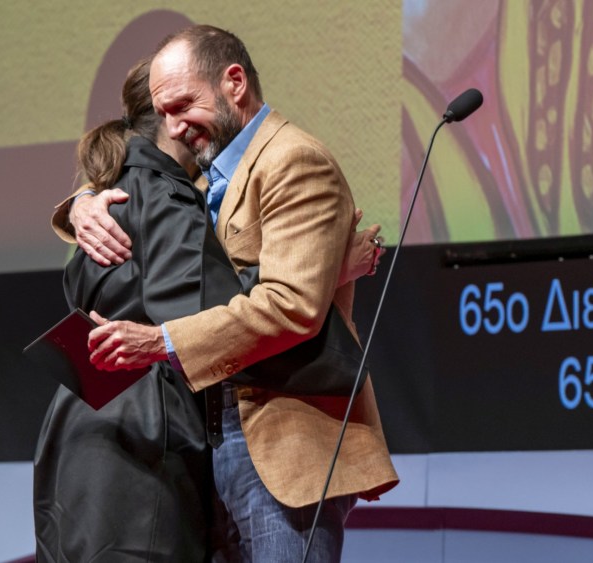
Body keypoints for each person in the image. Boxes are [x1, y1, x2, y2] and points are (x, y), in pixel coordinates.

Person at [67, 25, 399, 562]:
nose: (174, 127)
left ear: (235, 83)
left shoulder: (293, 160)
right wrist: (83, 201)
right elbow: (143, 178)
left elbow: (291, 306)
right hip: (217, 439)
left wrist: (159, 342)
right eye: (163, 113)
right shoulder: (212, 177)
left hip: (283, 445)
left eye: (182, 106)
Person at [32, 58, 214, 562]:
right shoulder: (170, 200)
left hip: (74, 427)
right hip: (149, 433)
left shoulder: (104, 199)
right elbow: (200, 320)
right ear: (171, 115)